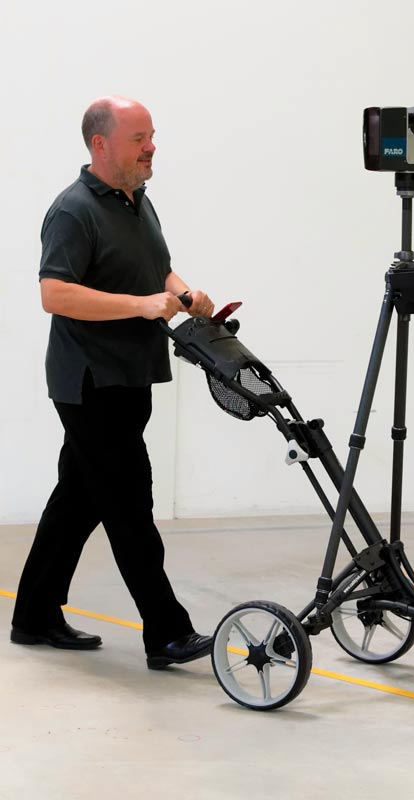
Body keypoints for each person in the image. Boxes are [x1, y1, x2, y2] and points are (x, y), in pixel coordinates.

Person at [11, 96, 216, 670]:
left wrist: (183, 293)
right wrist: (141, 304)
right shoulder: (73, 210)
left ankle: (33, 616)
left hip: (130, 375)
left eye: (151, 136)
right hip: (90, 382)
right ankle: (167, 633)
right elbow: (55, 293)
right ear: (101, 145)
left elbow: (156, 269)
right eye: (138, 139)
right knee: (130, 504)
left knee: (77, 500)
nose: (151, 148)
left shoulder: (137, 202)